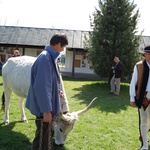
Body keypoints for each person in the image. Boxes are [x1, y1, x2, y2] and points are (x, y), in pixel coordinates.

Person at [25, 33, 68, 150]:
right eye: (63, 47)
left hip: (46, 108)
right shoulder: (45, 58)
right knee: (41, 140)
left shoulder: (50, 57)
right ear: (58, 44)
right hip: (44, 110)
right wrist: (46, 111)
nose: (62, 50)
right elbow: (42, 87)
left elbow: (50, 82)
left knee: (46, 137)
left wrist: (58, 92)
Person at [130, 46, 150, 150]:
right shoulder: (139, 66)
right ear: (145, 54)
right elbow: (133, 82)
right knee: (144, 121)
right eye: (148, 54)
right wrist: (132, 98)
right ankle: (145, 145)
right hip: (144, 98)